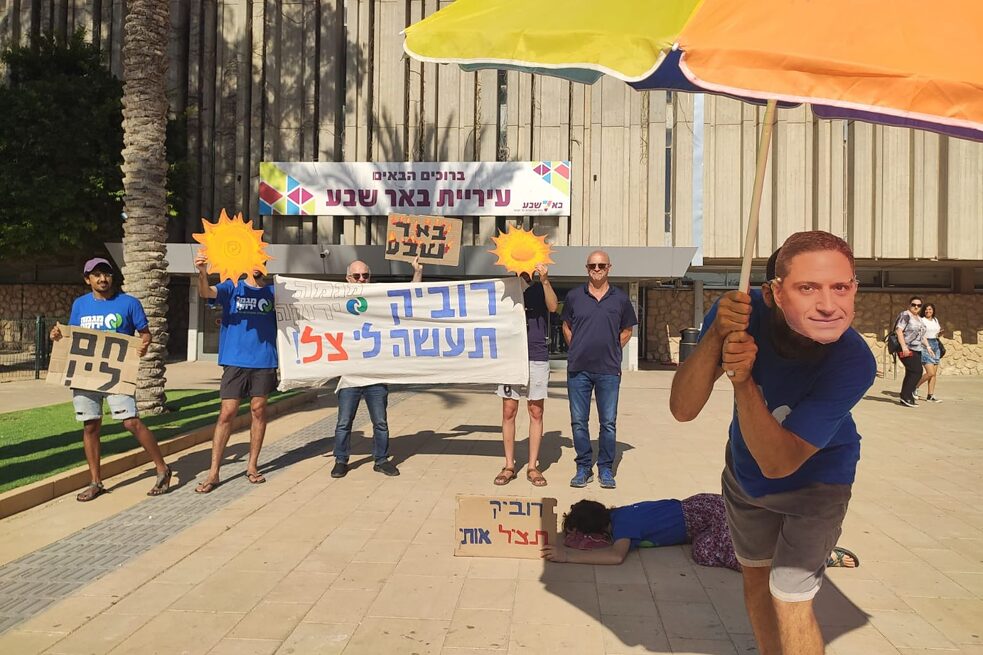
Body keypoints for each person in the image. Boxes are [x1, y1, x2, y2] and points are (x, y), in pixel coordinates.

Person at [669, 231, 876, 655]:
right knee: (756, 579)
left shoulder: (854, 361)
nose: (827, 304)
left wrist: (743, 381)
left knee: (790, 595)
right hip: (745, 477)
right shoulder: (739, 314)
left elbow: (779, 463)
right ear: (773, 294)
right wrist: (717, 336)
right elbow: (683, 409)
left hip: (818, 483)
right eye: (808, 288)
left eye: (840, 287)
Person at [50, 258, 172, 501]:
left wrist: (143, 345)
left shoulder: (129, 303)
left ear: (112, 277)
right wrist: (57, 335)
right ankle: (95, 482)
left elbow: (145, 334)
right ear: (88, 279)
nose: (102, 278)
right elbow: (73, 336)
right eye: (96, 275)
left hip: (117, 374)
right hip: (86, 376)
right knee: (90, 425)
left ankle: (162, 468)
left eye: (106, 274)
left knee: (131, 422)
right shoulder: (80, 305)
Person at [542, 495, 859, 571]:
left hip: (711, 512)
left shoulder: (623, 524)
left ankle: (814, 557)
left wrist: (567, 556)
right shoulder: (621, 515)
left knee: (730, 557)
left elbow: (615, 557)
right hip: (703, 514)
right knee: (706, 546)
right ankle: (772, 532)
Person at [331, 257, 423, 479]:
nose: (361, 279)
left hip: (375, 374)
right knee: (344, 422)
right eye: (356, 276)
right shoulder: (336, 300)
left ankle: (381, 460)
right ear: (347, 278)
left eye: (365, 275)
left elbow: (408, 298)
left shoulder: (380, 297)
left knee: (380, 422)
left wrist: (418, 272)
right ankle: (341, 460)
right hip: (350, 375)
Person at [193, 250, 277, 493]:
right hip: (234, 360)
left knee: (259, 411)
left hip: (264, 360)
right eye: (253, 260)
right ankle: (213, 473)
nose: (257, 265)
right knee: (227, 413)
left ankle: (252, 466)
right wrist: (202, 272)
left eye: (261, 261)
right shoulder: (232, 287)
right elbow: (206, 293)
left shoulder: (275, 292)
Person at [561, 250, 638, 489]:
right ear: (587, 268)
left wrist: (612, 349)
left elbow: (627, 330)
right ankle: (584, 467)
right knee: (578, 422)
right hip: (578, 369)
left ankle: (605, 468)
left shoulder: (620, 298)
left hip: (608, 370)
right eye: (592, 266)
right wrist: (576, 348)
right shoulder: (574, 296)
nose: (597, 269)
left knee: (608, 423)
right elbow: (566, 326)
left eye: (601, 265)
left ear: (609, 268)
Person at [494, 263, 558, 487]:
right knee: (508, 410)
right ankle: (509, 465)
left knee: (536, 411)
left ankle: (532, 466)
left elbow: (553, 307)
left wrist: (545, 280)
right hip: (510, 355)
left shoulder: (541, 286)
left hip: (536, 354)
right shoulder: (504, 287)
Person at [895, 296, 927, 408]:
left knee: (911, 372)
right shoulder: (905, 315)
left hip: (917, 349)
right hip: (907, 348)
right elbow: (899, 330)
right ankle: (906, 395)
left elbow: (921, 335)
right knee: (917, 371)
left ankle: (906, 396)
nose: (916, 307)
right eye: (914, 305)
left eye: (919, 305)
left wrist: (928, 347)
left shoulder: (919, 318)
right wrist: (904, 347)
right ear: (909, 305)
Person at [916, 302, 943, 403]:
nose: (928, 311)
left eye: (930, 309)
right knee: (930, 372)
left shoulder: (935, 320)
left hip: (935, 344)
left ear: (933, 311)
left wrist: (940, 333)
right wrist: (927, 347)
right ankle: (915, 387)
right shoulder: (921, 320)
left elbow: (936, 333)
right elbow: (922, 335)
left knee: (934, 374)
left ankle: (930, 395)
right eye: (926, 309)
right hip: (925, 345)